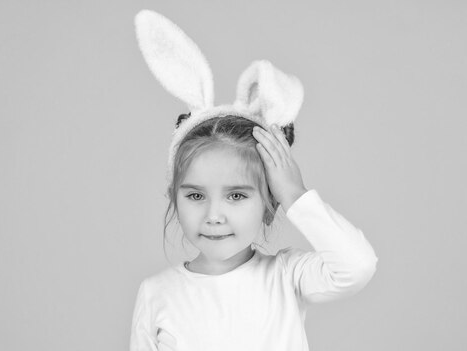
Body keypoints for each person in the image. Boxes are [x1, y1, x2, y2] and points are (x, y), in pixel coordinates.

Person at [130, 10, 379, 351]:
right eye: (195, 196)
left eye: (236, 196)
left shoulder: (286, 276)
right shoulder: (156, 293)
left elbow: (358, 266)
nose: (213, 215)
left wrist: (295, 194)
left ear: (269, 205)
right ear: (173, 196)